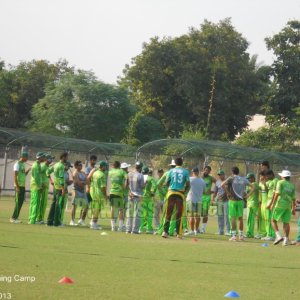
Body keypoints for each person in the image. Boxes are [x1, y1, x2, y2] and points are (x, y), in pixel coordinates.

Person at [222, 166, 253, 241]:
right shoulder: (243, 179)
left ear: (232, 172)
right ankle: (241, 236)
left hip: (232, 200)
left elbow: (222, 184)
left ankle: (234, 236)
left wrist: (228, 192)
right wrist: (247, 195)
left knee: (233, 218)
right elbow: (253, 187)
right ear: (238, 172)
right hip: (240, 201)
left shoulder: (231, 178)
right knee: (240, 218)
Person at [162, 157, 190, 239]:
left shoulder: (171, 171)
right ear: (182, 163)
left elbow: (167, 182)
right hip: (180, 194)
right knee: (179, 214)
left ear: (175, 163)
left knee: (168, 212)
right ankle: (179, 234)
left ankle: (165, 232)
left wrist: (169, 187)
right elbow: (188, 184)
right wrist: (184, 192)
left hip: (170, 193)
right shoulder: (185, 172)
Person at [271, 170, 296, 246]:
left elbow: (277, 193)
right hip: (288, 206)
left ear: (283, 176)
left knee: (273, 220)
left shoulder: (280, 182)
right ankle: (285, 240)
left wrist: (273, 203)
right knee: (286, 223)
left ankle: (278, 236)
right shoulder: (292, 186)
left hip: (280, 204)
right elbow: (293, 198)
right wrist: (293, 208)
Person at [47, 152, 68, 227]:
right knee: (58, 205)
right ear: (63, 157)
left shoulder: (55, 165)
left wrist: (51, 181)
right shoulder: (61, 166)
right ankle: (56, 223)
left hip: (55, 187)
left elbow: (47, 172)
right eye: (66, 157)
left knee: (53, 204)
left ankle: (49, 221)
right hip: (59, 188)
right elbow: (61, 178)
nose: (67, 159)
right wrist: (63, 189)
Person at [185, 167, 206, 236]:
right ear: (198, 172)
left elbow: (185, 186)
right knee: (197, 217)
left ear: (193, 172)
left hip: (190, 199)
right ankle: (196, 230)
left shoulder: (190, 179)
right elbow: (204, 191)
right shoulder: (202, 181)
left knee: (191, 216)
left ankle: (191, 231)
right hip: (199, 200)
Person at [10, 152, 30, 223]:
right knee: (18, 202)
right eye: (26, 157)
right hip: (18, 186)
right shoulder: (17, 164)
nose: (27, 159)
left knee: (21, 202)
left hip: (22, 186)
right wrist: (17, 187)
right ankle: (13, 218)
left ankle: (16, 217)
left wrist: (29, 169)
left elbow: (24, 175)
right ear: (23, 157)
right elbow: (15, 176)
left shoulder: (22, 164)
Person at [108, 161, 127, 231]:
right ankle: (120, 226)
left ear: (113, 166)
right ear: (119, 166)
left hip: (112, 192)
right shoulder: (122, 172)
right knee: (121, 210)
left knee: (113, 209)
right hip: (119, 192)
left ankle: (113, 227)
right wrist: (125, 186)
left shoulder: (110, 172)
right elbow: (127, 178)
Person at [88, 160, 108, 230]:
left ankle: (93, 222)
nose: (106, 168)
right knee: (97, 209)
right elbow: (103, 187)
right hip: (99, 194)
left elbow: (89, 178)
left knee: (95, 208)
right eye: (105, 166)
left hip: (93, 193)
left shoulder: (95, 173)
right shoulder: (102, 175)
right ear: (102, 167)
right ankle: (93, 223)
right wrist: (105, 196)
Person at [126, 161, 145, 234]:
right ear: (141, 167)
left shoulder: (129, 174)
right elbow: (142, 186)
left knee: (129, 213)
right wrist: (146, 184)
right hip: (138, 196)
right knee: (137, 214)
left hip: (130, 195)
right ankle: (135, 230)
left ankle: (128, 229)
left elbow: (126, 184)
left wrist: (130, 191)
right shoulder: (140, 175)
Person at [36, 154, 54, 224]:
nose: (51, 160)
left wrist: (51, 181)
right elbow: (39, 175)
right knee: (41, 203)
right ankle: (38, 218)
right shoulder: (43, 166)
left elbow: (48, 174)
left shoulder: (47, 166)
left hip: (46, 187)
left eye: (52, 159)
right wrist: (41, 184)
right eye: (50, 159)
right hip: (42, 187)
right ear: (46, 159)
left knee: (44, 203)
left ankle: (41, 219)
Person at [28, 152, 45, 224]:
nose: (44, 158)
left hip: (36, 186)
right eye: (43, 157)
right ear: (40, 157)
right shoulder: (36, 166)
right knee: (35, 203)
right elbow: (36, 177)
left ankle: (31, 219)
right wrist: (40, 186)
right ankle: (32, 220)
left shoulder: (38, 165)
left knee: (34, 203)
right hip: (36, 187)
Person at [70, 160, 88, 226]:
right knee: (75, 206)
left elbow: (87, 181)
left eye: (81, 165)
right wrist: (83, 182)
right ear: (76, 166)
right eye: (79, 165)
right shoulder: (75, 173)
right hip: (76, 191)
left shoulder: (83, 173)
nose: (81, 166)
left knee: (86, 206)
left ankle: (81, 220)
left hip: (83, 191)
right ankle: (72, 220)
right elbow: (78, 183)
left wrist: (82, 182)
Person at [139, 167, 156, 234]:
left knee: (142, 213)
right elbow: (155, 185)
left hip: (141, 197)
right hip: (148, 198)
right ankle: (149, 229)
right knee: (149, 213)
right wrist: (152, 193)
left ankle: (140, 228)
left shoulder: (140, 178)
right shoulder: (150, 178)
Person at [212, 169, 230, 236]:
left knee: (227, 216)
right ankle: (221, 230)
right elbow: (215, 191)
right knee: (220, 216)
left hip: (226, 201)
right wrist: (213, 198)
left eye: (221, 175)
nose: (219, 176)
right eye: (219, 175)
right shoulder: (217, 182)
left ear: (224, 175)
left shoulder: (227, 182)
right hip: (219, 201)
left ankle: (228, 231)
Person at [200, 166, 216, 234]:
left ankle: (203, 229)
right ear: (203, 170)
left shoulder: (211, 178)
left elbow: (217, 184)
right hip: (199, 196)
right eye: (206, 170)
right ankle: (195, 228)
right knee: (197, 213)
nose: (207, 171)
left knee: (205, 214)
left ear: (210, 172)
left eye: (208, 171)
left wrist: (213, 191)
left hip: (207, 197)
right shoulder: (199, 177)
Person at [263, 170, 278, 241]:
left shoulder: (275, 180)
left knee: (271, 218)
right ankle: (269, 234)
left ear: (272, 174)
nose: (267, 177)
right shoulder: (269, 181)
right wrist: (264, 183)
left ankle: (272, 235)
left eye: (268, 176)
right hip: (268, 200)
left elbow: (275, 192)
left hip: (272, 201)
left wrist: (271, 203)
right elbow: (267, 191)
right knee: (268, 218)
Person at [245, 172, 260, 238]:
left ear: (253, 178)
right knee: (249, 219)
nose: (248, 180)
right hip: (249, 203)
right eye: (247, 179)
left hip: (253, 203)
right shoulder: (249, 185)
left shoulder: (255, 184)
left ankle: (250, 233)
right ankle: (249, 232)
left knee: (250, 219)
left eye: (249, 178)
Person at [120, 162, 131, 231]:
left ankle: (122, 224)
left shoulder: (121, 174)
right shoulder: (125, 175)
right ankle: (122, 225)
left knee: (122, 210)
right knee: (123, 210)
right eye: (127, 167)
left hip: (123, 194)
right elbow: (125, 185)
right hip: (124, 194)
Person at [258, 171, 268, 239]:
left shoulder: (267, 183)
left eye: (261, 176)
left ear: (265, 177)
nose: (260, 178)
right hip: (262, 203)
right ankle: (261, 233)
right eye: (260, 176)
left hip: (267, 203)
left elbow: (267, 191)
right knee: (261, 219)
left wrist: (264, 184)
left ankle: (267, 233)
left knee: (266, 219)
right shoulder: (260, 184)